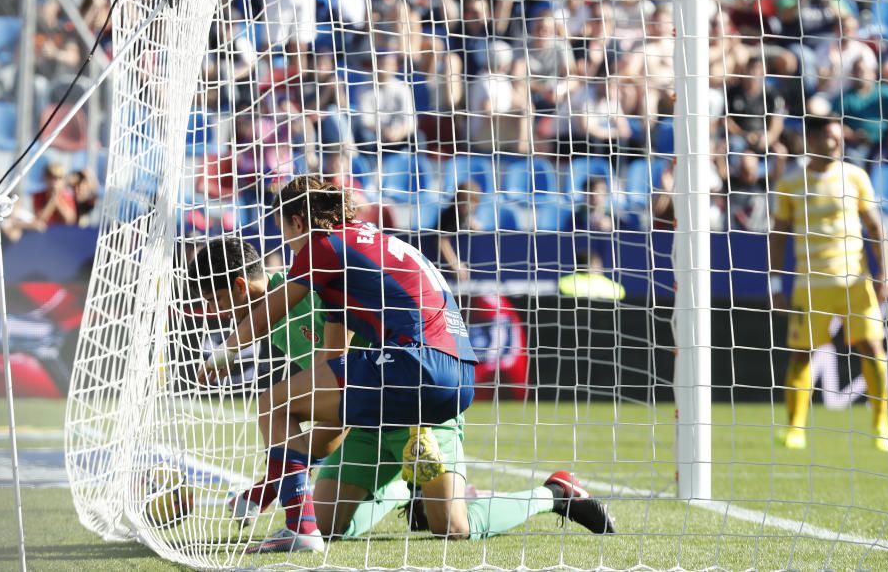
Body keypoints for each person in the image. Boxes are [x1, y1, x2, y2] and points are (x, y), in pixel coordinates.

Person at [201, 176, 615, 553]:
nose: (286, 243)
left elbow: (267, 312)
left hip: (414, 371)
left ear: (296, 222)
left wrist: (223, 355)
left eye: (283, 230)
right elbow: (334, 371)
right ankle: (405, 490)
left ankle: (304, 528)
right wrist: (272, 483)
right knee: (342, 523)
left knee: (276, 404)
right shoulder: (357, 255)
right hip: (423, 380)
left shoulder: (323, 246)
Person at [188, 238, 414, 543]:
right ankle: (396, 490)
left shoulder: (308, 293)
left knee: (452, 524)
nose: (218, 313)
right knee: (325, 520)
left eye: (214, 300)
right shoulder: (273, 320)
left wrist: (266, 488)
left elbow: (347, 381)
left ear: (240, 286)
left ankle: (300, 526)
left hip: (406, 406)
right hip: (365, 417)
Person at [769, 113, 888, 453]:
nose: (838, 142)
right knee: (801, 356)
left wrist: (887, 271)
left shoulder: (855, 176)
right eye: (830, 136)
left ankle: (881, 423)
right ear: (811, 140)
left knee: (872, 349)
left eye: (839, 136)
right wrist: (774, 285)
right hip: (810, 287)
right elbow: (778, 235)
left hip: (856, 283)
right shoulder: (790, 182)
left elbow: (875, 227)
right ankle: (795, 429)